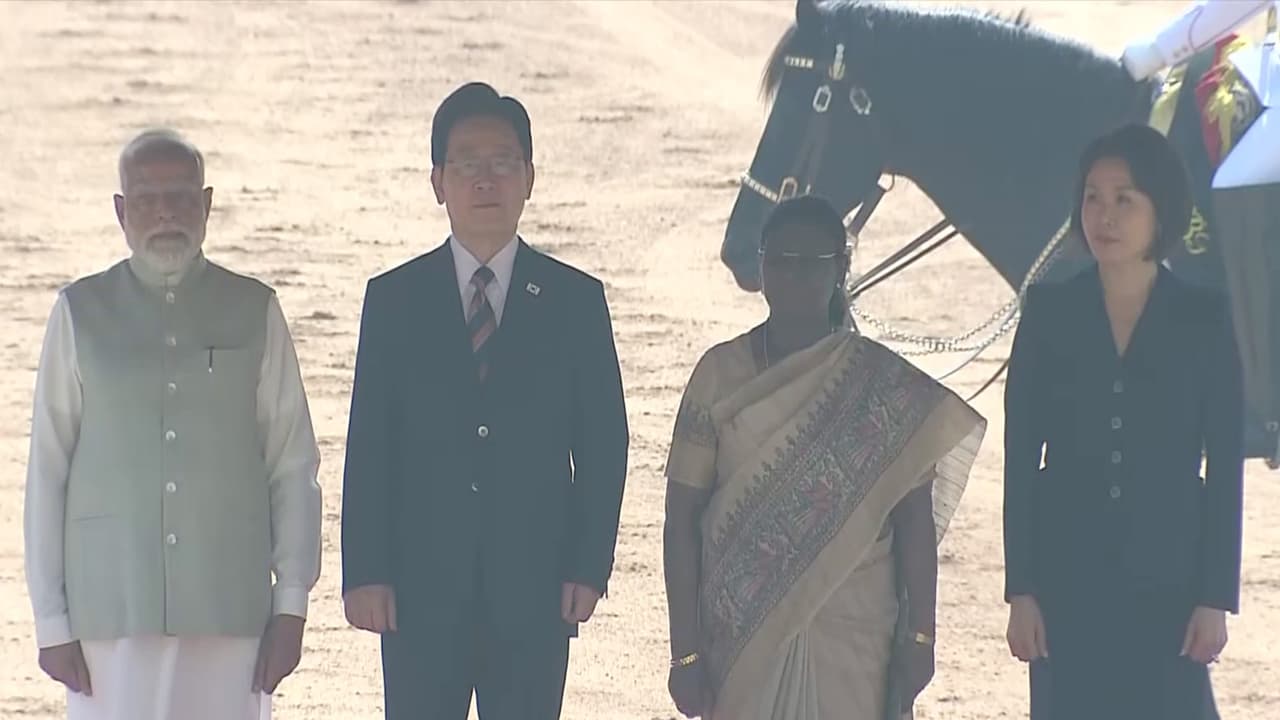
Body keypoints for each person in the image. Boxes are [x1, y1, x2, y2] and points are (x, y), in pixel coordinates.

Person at [339, 81, 630, 720]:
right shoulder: (394, 299)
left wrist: (589, 565)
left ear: (529, 177)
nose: (485, 179)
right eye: (466, 163)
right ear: (438, 181)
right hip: (417, 593)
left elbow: (605, 444)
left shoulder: (575, 301)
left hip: (535, 590)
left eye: (502, 162)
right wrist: (365, 572)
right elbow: (369, 445)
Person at [22, 128, 323, 720]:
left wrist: (291, 605)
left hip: (229, 608)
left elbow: (292, 464)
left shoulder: (254, 309)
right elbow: (47, 469)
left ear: (207, 206)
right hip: (108, 613)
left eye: (182, 197)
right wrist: (50, 621)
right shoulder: (78, 313)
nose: (165, 213)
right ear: (120, 211)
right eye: (146, 199)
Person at [662, 194, 987, 720]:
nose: (795, 277)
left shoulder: (881, 384)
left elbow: (913, 522)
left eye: (814, 265)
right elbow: (681, 519)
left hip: (857, 635)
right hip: (743, 636)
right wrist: (686, 653)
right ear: (761, 266)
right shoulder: (717, 374)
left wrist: (922, 636)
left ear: (841, 269)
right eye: (782, 262)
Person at [1002, 123, 1245, 719]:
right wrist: (1022, 590)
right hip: (1066, 584)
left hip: (1171, 583)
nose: (1103, 215)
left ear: (1160, 211)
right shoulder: (1049, 310)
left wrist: (1215, 597)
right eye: (1092, 197)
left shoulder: (1205, 318)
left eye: (1124, 199)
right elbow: (1020, 460)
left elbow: (1225, 462)